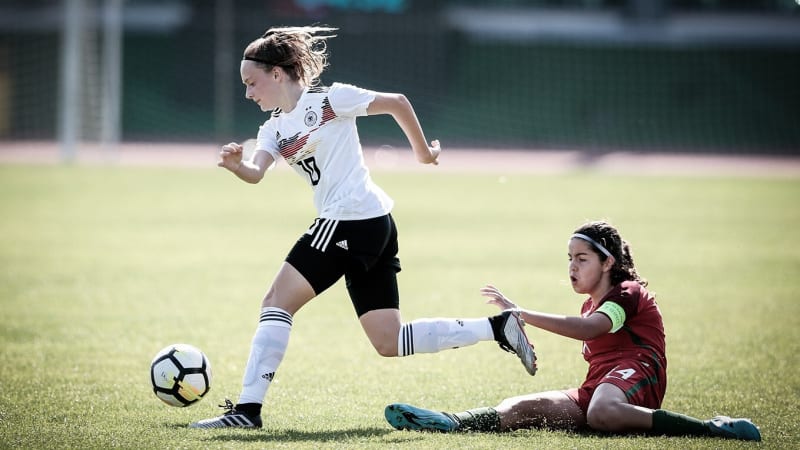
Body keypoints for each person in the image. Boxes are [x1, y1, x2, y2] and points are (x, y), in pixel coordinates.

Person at [189, 26, 536, 429]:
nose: (249, 93)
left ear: (278, 73)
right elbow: (256, 172)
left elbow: (398, 103)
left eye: (252, 82)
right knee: (389, 341)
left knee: (275, 302)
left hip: (349, 219)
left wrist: (424, 155)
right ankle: (497, 327)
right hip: (373, 224)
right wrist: (238, 167)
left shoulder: (330, 99)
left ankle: (247, 411)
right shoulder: (273, 129)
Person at [384, 220, 762, 441]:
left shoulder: (628, 293)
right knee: (522, 408)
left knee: (601, 412)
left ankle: (711, 430)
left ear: (608, 262)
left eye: (582, 259)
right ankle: (449, 421)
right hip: (600, 386)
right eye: (569, 259)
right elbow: (587, 329)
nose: (572, 267)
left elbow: (590, 329)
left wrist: (521, 314)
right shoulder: (589, 302)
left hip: (639, 374)